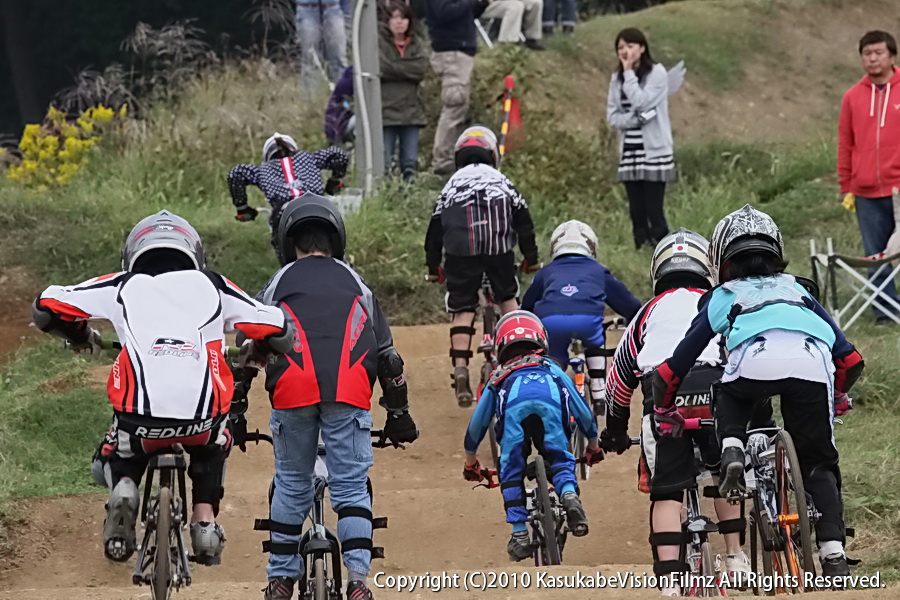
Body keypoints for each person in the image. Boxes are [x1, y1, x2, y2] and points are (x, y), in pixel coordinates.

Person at [32, 210, 293, 566]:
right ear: (193, 253)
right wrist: (255, 351)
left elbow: (47, 307)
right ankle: (204, 523)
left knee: (116, 454)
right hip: (202, 422)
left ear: (133, 253)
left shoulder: (121, 284)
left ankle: (125, 488)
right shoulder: (213, 285)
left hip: (139, 421)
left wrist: (80, 335)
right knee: (215, 447)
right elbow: (278, 327)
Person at [650, 204, 865, 577]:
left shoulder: (722, 296)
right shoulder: (799, 290)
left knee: (728, 390)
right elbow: (850, 359)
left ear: (721, 259)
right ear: (776, 252)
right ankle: (833, 554)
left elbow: (676, 365)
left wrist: (665, 405)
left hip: (752, 365)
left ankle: (732, 447)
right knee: (819, 463)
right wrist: (836, 396)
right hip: (811, 368)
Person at [248, 194, 420, 600]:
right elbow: (389, 360)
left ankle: (280, 580)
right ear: (336, 239)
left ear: (289, 243)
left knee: (291, 483)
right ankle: (358, 582)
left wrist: (236, 409)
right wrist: (399, 414)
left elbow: (248, 348)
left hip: (292, 389)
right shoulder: (357, 283)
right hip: (349, 390)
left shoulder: (278, 282)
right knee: (351, 487)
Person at [601, 228, 751, 596]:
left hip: (663, 397)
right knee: (723, 474)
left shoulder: (645, 313)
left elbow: (619, 379)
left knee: (666, 491)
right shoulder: (721, 300)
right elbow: (742, 350)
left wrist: (616, 429)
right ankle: (734, 557)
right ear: (707, 267)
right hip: (715, 391)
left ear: (658, 270)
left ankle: (669, 579)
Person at [462, 310, 604, 561]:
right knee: (560, 458)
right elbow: (582, 410)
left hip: (514, 406)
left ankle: (519, 534)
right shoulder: (552, 368)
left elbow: (478, 424)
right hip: (549, 400)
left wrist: (470, 460)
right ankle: (569, 494)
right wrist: (592, 445)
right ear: (541, 340)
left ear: (501, 345)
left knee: (511, 468)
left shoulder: (498, 376)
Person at [424, 125, 539, 407]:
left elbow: (434, 232)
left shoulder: (451, 185)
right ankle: (520, 358)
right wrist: (531, 258)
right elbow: (524, 223)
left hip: (460, 251)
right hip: (498, 248)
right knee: (507, 299)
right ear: (491, 155)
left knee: (462, 308)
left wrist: (433, 266)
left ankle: (460, 368)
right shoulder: (502, 180)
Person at [521, 219, 640, 408]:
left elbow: (526, 309)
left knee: (554, 363)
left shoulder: (546, 271)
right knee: (595, 336)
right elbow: (630, 305)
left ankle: (551, 393)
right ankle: (598, 387)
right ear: (591, 247)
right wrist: (633, 320)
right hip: (587, 320)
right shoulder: (599, 271)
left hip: (551, 322)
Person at [837, 30, 900, 324]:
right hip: (866, 193)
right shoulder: (852, 96)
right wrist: (846, 185)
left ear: (891, 56)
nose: (872, 58)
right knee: (876, 255)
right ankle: (886, 313)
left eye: (878, 52)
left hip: (899, 188)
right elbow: (845, 143)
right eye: (867, 53)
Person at [606, 27, 675, 250]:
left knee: (654, 209)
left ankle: (663, 254)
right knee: (636, 211)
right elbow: (613, 115)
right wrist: (635, 121)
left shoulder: (657, 73)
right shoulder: (616, 78)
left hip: (654, 151)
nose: (625, 51)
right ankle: (641, 252)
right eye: (620, 48)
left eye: (630, 46)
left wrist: (628, 73)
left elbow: (641, 102)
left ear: (642, 48)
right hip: (630, 151)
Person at [228, 132, 348, 258]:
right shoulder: (309, 158)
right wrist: (334, 181)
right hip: (317, 205)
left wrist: (242, 207)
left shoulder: (263, 170)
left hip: (284, 213)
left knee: (285, 258)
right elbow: (339, 154)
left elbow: (235, 173)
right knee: (338, 247)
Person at [423, 0, 489, 176]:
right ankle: (442, 160)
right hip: (451, 52)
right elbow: (444, 14)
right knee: (454, 104)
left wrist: (480, 5)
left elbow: (465, 14)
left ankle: (451, 156)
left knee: (459, 108)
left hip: (460, 52)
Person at [379, 2, 428, 181]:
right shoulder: (378, 43)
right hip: (386, 111)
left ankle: (409, 198)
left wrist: (394, 68)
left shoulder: (417, 44)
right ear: (388, 21)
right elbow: (380, 67)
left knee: (410, 163)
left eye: (404, 18)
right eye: (395, 18)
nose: (399, 22)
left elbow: (421, 69)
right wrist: (406, 69)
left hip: (412, 111)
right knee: (384, 163)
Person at [295, 0, 347, 95]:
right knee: (311, 60)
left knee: (338, 59)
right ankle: (312, 103)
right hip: (307, 9)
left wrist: (347, 14)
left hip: (333, 8)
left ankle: (344, 101)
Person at [324, 66, 355, 147]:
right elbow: (344, 102)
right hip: (338, 125)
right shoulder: (349, 82)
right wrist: (348, 107)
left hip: (334, 125)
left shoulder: (346, 78)